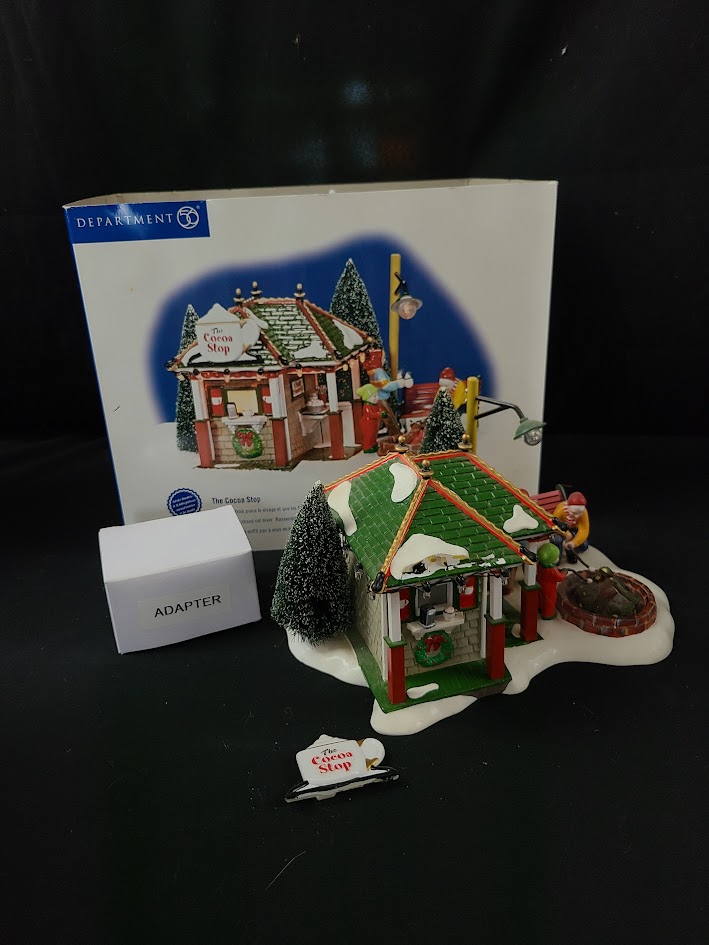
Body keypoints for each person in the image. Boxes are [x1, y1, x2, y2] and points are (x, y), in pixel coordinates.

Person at [551, 491, 589, 563]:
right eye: (574, 513)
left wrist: (574, 542)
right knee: (556, 540)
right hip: (559, 530)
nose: (577, 516)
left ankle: (570, 553)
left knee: (584, 545)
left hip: (573, 530)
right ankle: (557, 557)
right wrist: (566, 534)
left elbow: (584, 529)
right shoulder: (561, 509)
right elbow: (554, 524)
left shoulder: (583, 512)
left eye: (579, 513)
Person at [537, 543, 568, 619]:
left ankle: (540, 608)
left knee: (541, 597)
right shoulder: (551, 569)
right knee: (549, 601)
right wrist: (564, 572)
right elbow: (559, 577)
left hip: (540, 583)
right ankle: (548, 614)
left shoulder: (540, 564)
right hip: (549, 588)